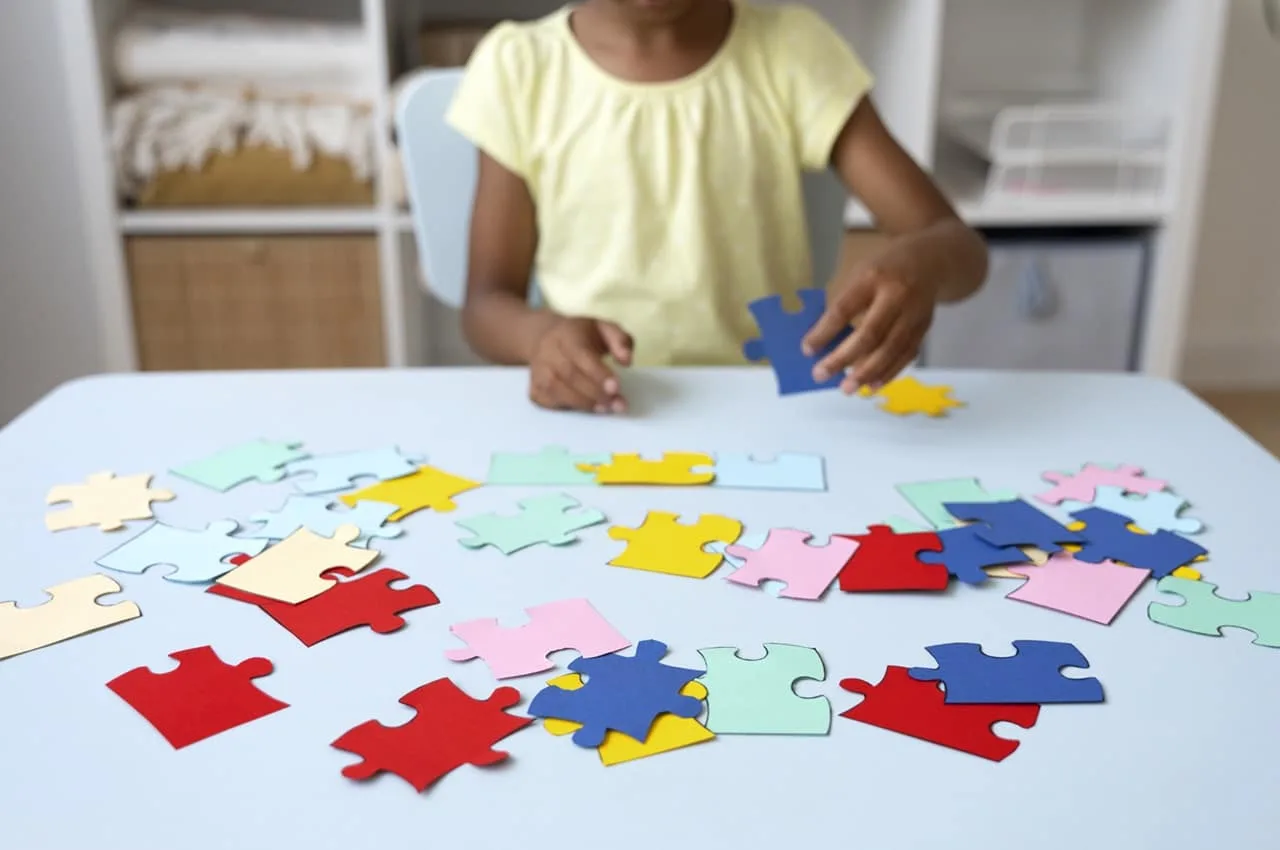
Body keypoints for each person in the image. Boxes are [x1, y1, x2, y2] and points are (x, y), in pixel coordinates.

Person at [447, 0, 988, 414]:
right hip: (602, 408)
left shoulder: (791, 49)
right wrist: (541, 339)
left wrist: (921, 264)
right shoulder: (518, 66)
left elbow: (958, 248)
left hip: (772, 407)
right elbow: (487, 303)